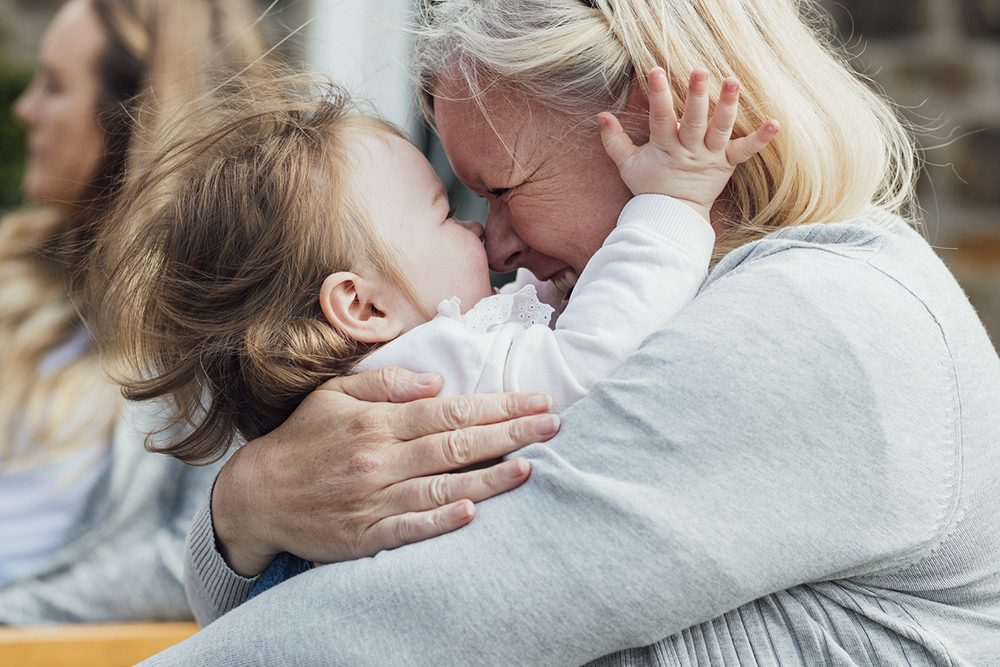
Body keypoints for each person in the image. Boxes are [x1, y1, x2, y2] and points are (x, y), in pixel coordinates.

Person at [144, 0, 1000, 664]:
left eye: (505, 188)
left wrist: (249, 513)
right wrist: (252, 503)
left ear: (648, 116)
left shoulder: (822, 319)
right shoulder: (633, 306)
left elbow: (423, 622)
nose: (497, 243)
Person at [93, 68, 775, 596]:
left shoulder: (411, 361)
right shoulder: (422, 371)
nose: (484, 232)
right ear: (361, 307)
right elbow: (591, 362)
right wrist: (672, 204)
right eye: (445, 213)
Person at [0, 0, 270, 623]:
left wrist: (10, 617)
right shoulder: (27, 277)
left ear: (128, 121)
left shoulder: (224, 328)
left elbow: (195, 555)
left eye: (55, 85)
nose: (25, 108)